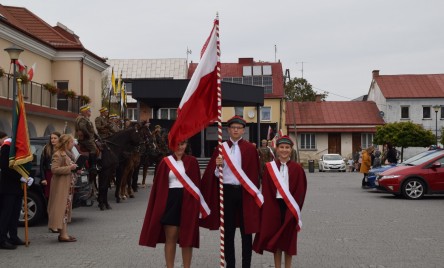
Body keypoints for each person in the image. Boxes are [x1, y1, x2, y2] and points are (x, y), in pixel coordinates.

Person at [200, 116, 261, 268]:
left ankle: (246, 264)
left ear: (243, 130)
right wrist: (217, 166)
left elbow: (254, 174)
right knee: (228, 231)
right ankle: (230, 264)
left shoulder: (251, 149)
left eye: (238, 128)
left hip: (244, 192)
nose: (235, 130)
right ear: (228, 130)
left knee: (246, 232)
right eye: (233, 127)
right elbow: (212, 176)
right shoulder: (220, 149)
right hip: (226, 193)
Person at [139, 140, 208, 268]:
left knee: (187, 239)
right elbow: (158, 187)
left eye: (182, 144)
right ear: (171, 145)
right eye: (176, 144)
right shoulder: (165, 162)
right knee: (171, 237)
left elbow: (198, 186)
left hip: (188, 203)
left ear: (186, 145)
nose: (179, 147)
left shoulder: (192, 162)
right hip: (170, 201)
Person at [253, 136, 307, 268]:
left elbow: (301, 191)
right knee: (276, 238)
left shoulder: (297, 168)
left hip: (290, 207)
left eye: (287, 147)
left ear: (291, 150)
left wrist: (295, 209)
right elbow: (266, 189)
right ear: (276, 149)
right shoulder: (269, 167)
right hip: (274, 206)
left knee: (288, 240)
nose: (284, 150)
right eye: (281, 147)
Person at [0, 131, 31, 249]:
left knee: (15, 214)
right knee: (6, 214)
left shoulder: (19, 147)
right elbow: (5, 166)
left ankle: (13, 236)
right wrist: (20, 177)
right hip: (8, 187)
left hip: (17, 187)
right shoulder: (7, 147)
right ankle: (2, 239)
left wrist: (27, 176)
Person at [47, 134, 79, 242]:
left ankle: (64, 233)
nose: (73, 144)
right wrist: (70, 168)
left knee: (65, 209)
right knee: (62, 209)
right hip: (61, 185)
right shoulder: (58, 154)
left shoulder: (68, 154)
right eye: (71, 142)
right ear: (66, 143)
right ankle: (62, 234)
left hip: (68, 185)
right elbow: (54, 169)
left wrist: (76, 169)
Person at [75, 105, 98, 175]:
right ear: (85, 112)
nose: (90, 112)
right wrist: (88, 135)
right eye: (89, 111)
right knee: (94, 149)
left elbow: (91, 129)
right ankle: (93, 166)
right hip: (85, 139)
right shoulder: (82, 119)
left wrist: (96, 135)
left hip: (89, 138)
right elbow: (82, 127)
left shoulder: (86, 119)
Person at [40, 131, 61, 200]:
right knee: (50, 197)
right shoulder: (46, 148)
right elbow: (42, 165)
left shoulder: (62, 149)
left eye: (55, 138)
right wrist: (43, 178)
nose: (53, 140)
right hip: (49, 174)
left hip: (59, 174)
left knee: (58, 196)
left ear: (59, 139)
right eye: (51, 138)